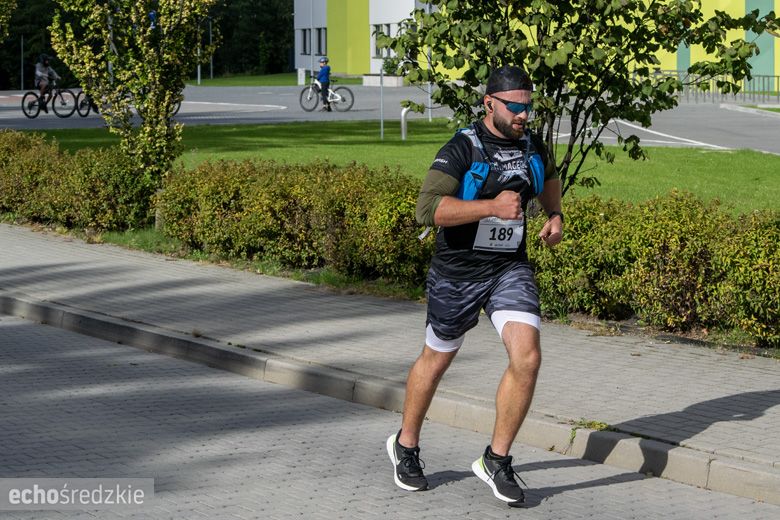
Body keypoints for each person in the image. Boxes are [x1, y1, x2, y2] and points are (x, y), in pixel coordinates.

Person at [386, 65, 563, 507]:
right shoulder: (462, 148)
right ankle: (405, 445)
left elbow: (551, 182)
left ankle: (496, 459)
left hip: (508, 269)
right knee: (436, 359)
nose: (524, 114)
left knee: (528, 356)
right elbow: (426, 210)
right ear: (489, 104)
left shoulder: (532, 147)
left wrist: (554, 216)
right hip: (457, 273)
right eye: (515, 106)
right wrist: (489, 207)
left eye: (529, 106)